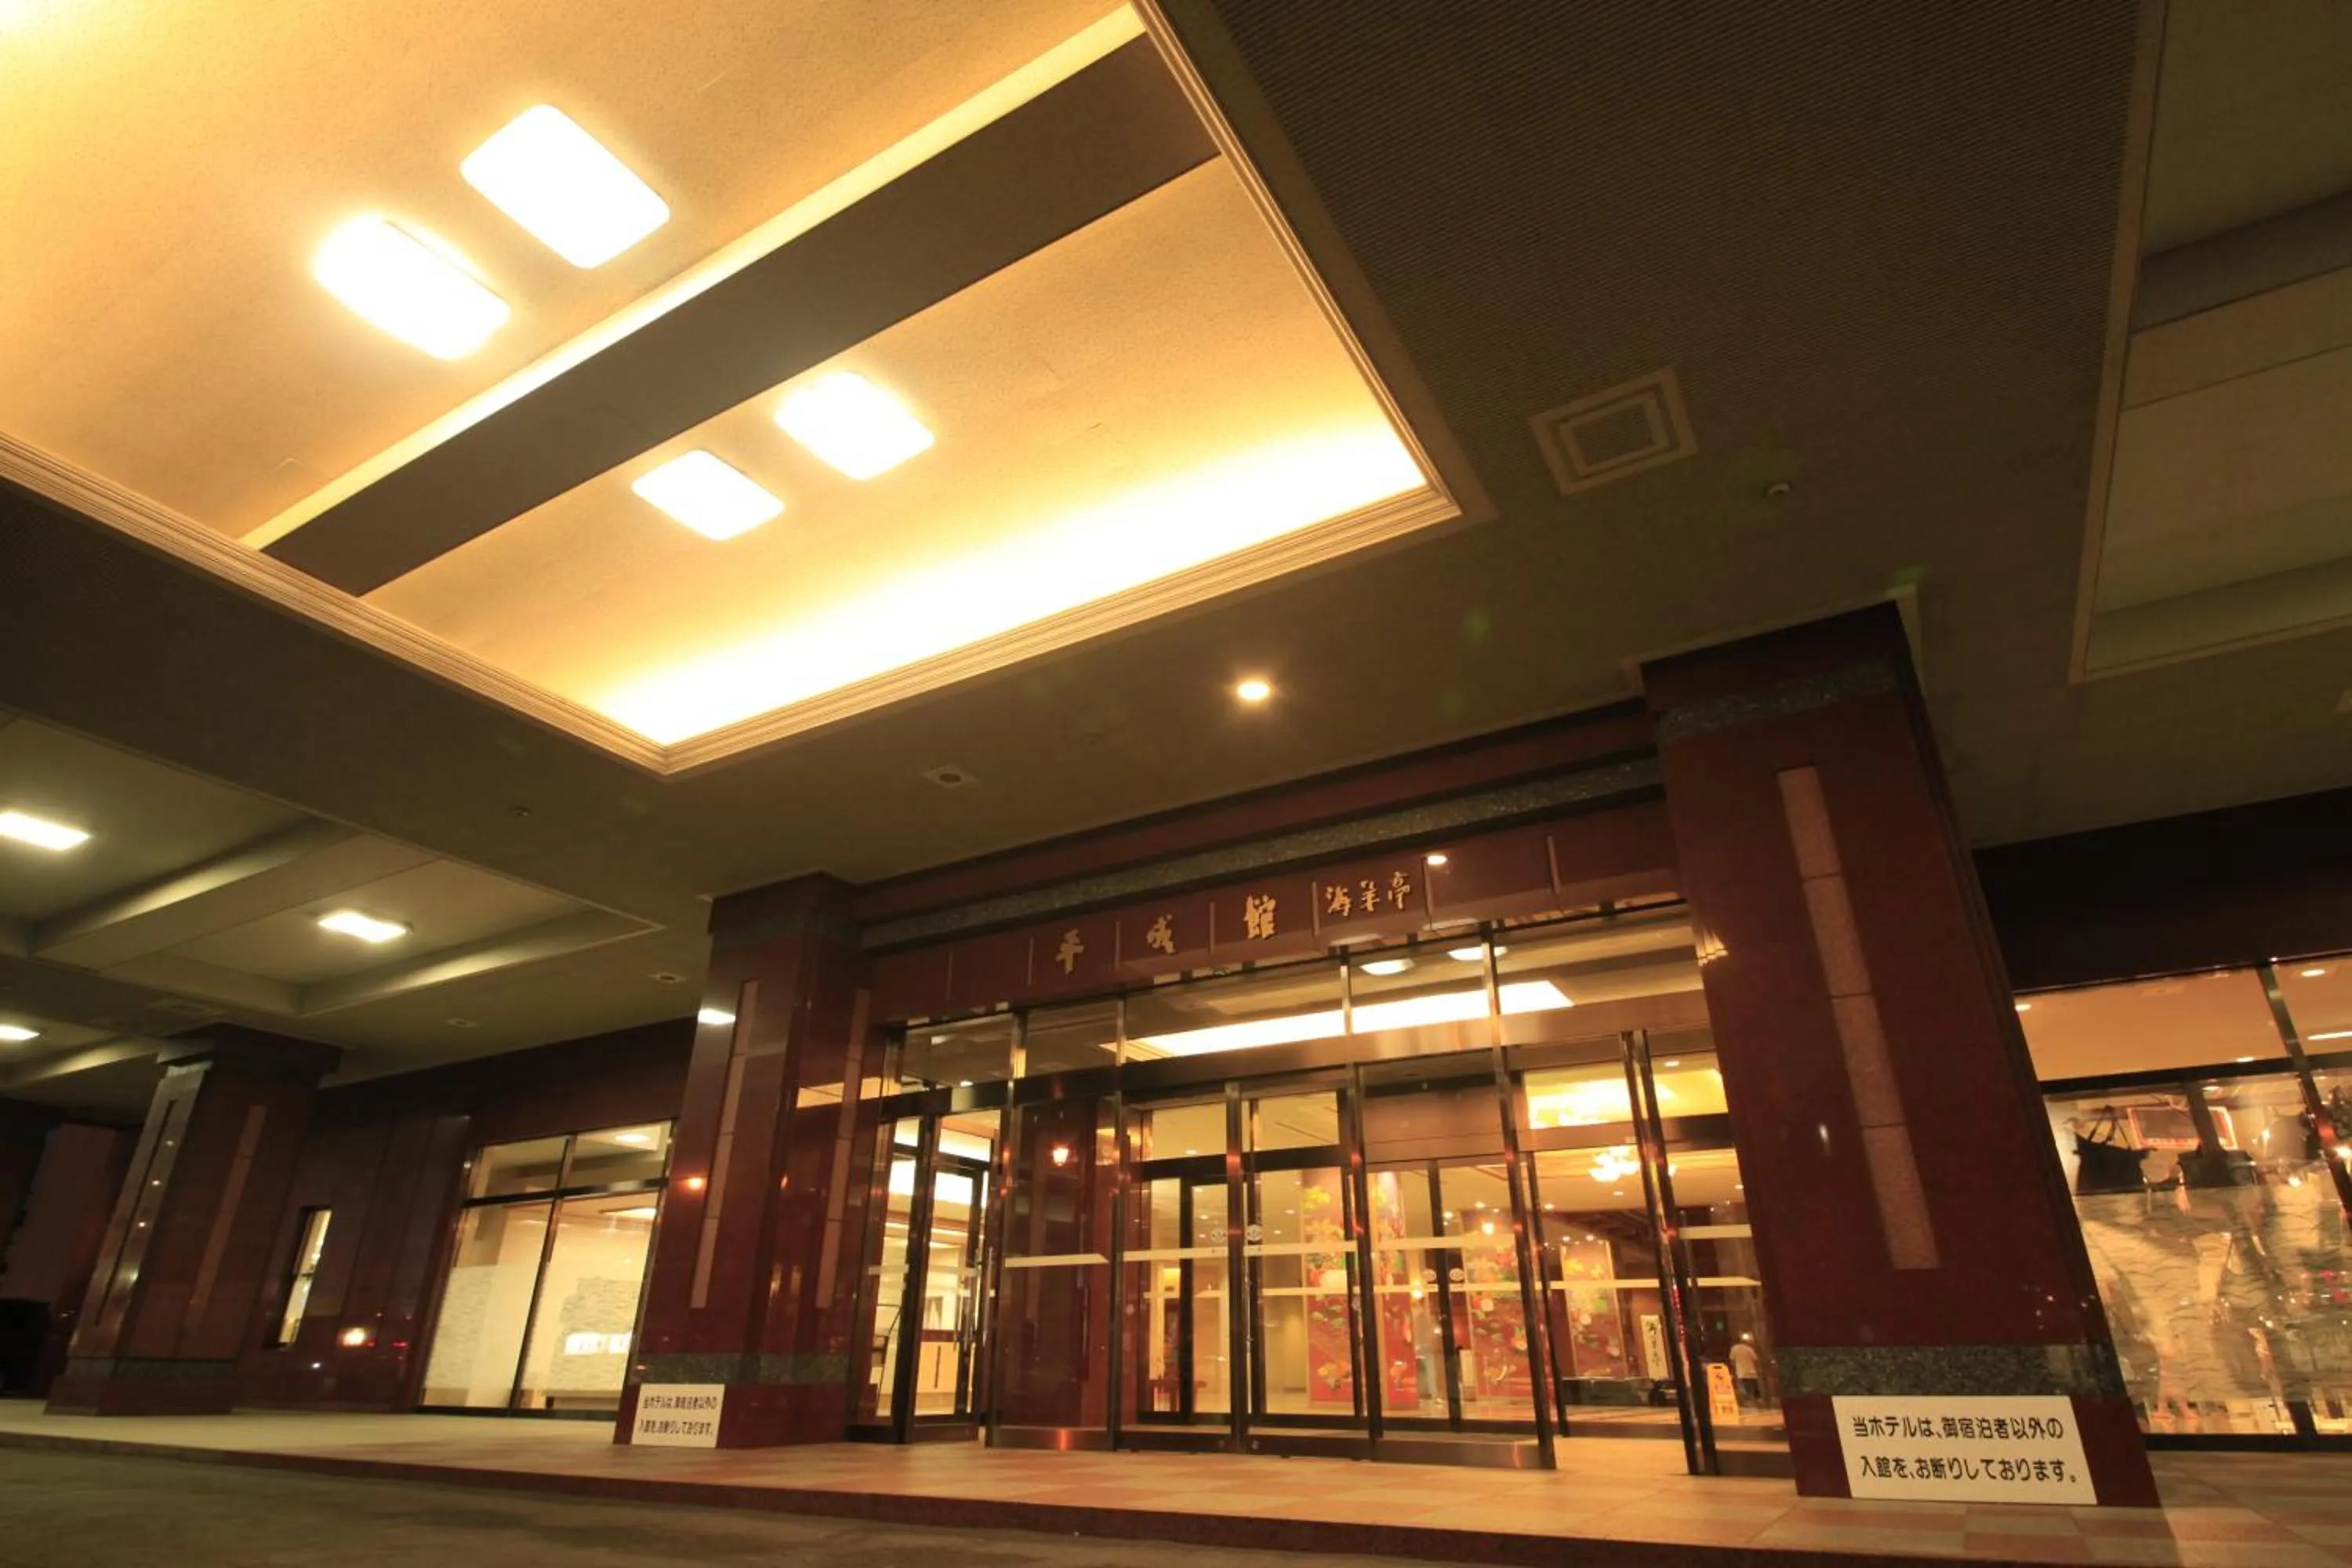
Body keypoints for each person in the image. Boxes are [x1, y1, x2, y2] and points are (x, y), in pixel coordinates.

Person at [1730, 1336, 1762, 1406]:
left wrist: (1733, 1372)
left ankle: (1747, 1403)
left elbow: (1733, 1362)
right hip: (1752, 1373)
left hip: (1741, 1373)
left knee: (1744, 1389)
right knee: (1754, 1388)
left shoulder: (1734, 1349)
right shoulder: (1749, 1349)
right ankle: (1757, 1402)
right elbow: (1756, 1360)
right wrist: (1757, 1370)